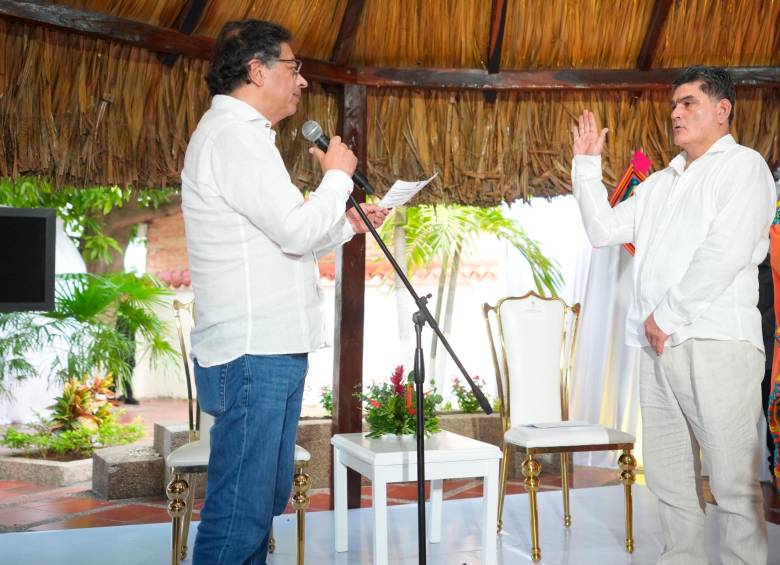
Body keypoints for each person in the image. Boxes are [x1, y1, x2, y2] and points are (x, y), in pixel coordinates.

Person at [180, 20, 389, 564]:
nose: (301, 82)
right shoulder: (233, 138)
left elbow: (289, 236)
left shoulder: (248, 140)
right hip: (254, 353)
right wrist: (338, 177)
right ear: (256, 70)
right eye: (293, 69)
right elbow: (296, 231)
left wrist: (349, 225)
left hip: (270, 350)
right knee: (239, 512)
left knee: (261, 502)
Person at [570, 66, 775, 564]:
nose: (675, 113)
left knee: (732, 482)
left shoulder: (744, 167)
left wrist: (666, 316)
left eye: (688, 103)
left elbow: (723, 254)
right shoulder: (660, 182)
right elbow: (602, 229)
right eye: (674, 106)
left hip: (716, 341)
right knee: (669, 478)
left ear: (722, 110)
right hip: (656, 347)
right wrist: (585, 167)